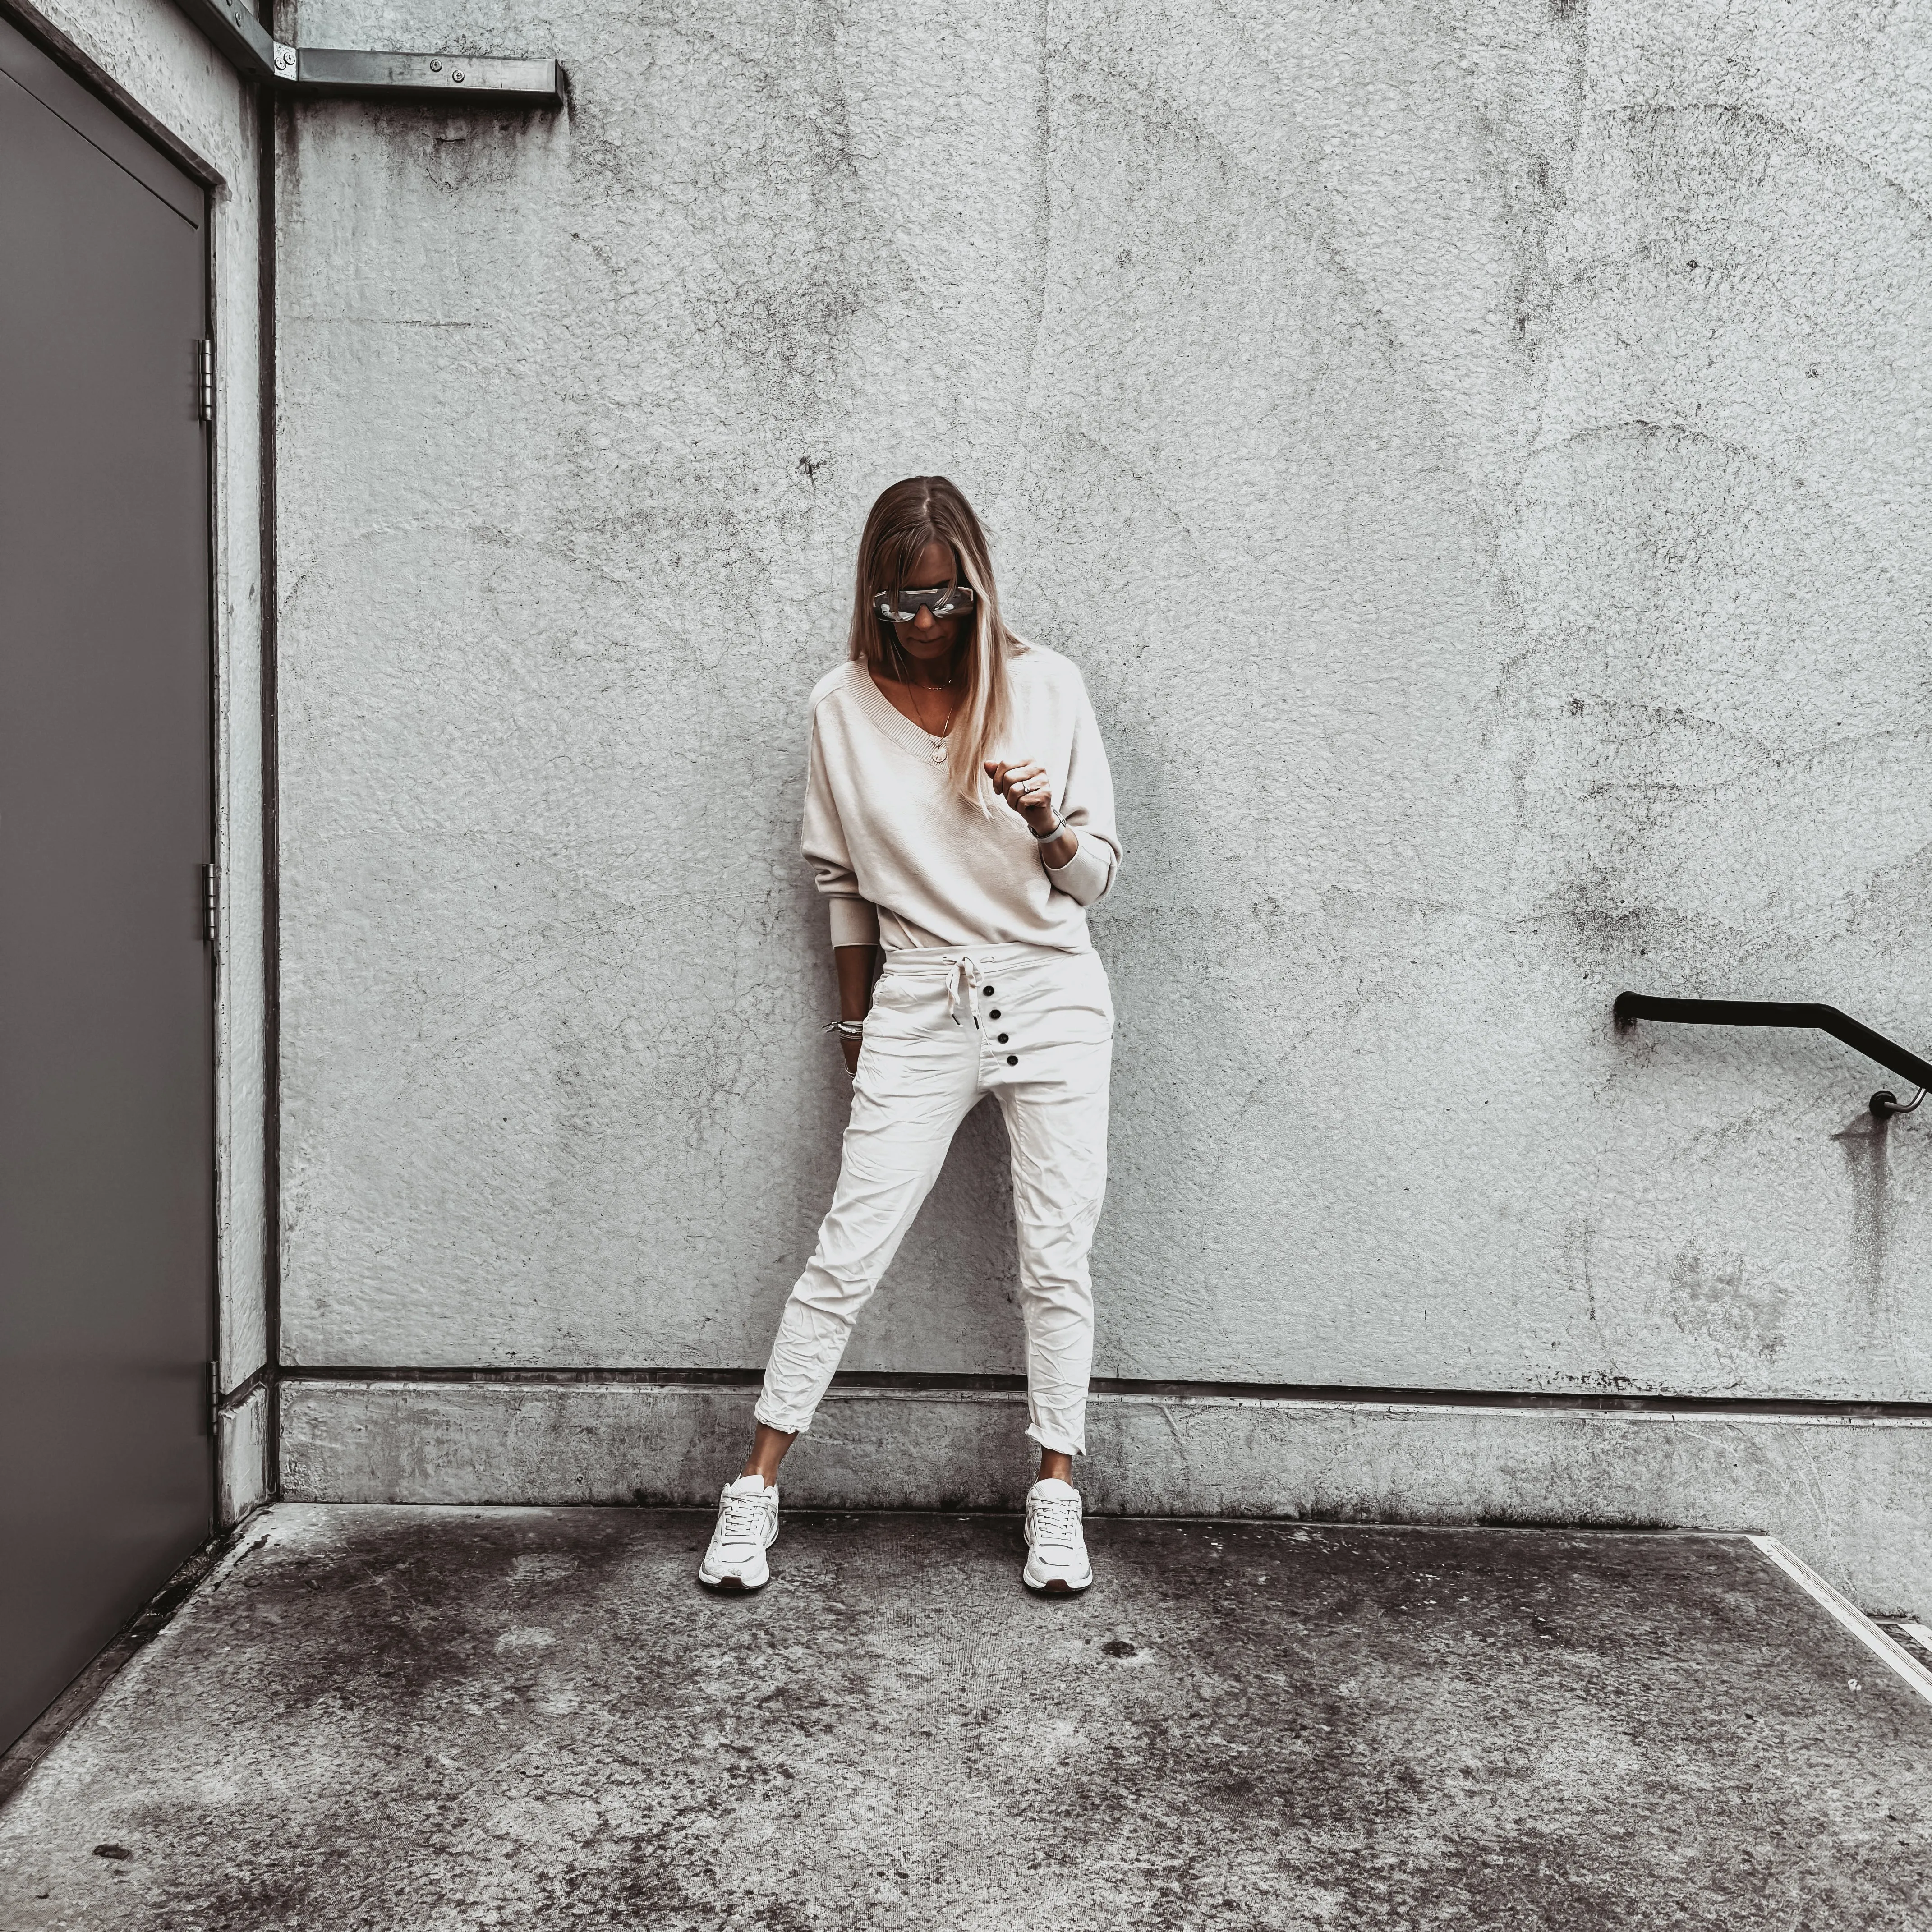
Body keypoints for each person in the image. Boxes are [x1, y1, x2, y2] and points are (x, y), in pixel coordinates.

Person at [699, 475, 1122, 1597]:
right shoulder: (840, 707)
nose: (926, 624)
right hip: (920, 995)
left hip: (1050, 992)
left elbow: (1094, 884)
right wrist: (854, 1019)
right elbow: (843, 886)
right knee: (849, 1250)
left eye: (944, 602)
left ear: (977, 590)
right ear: (873, 599)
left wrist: (1046, 822)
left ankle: (1056, 1494)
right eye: (903, 605)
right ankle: (753, 1491)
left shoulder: (1048, 687)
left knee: (1055, 1260)